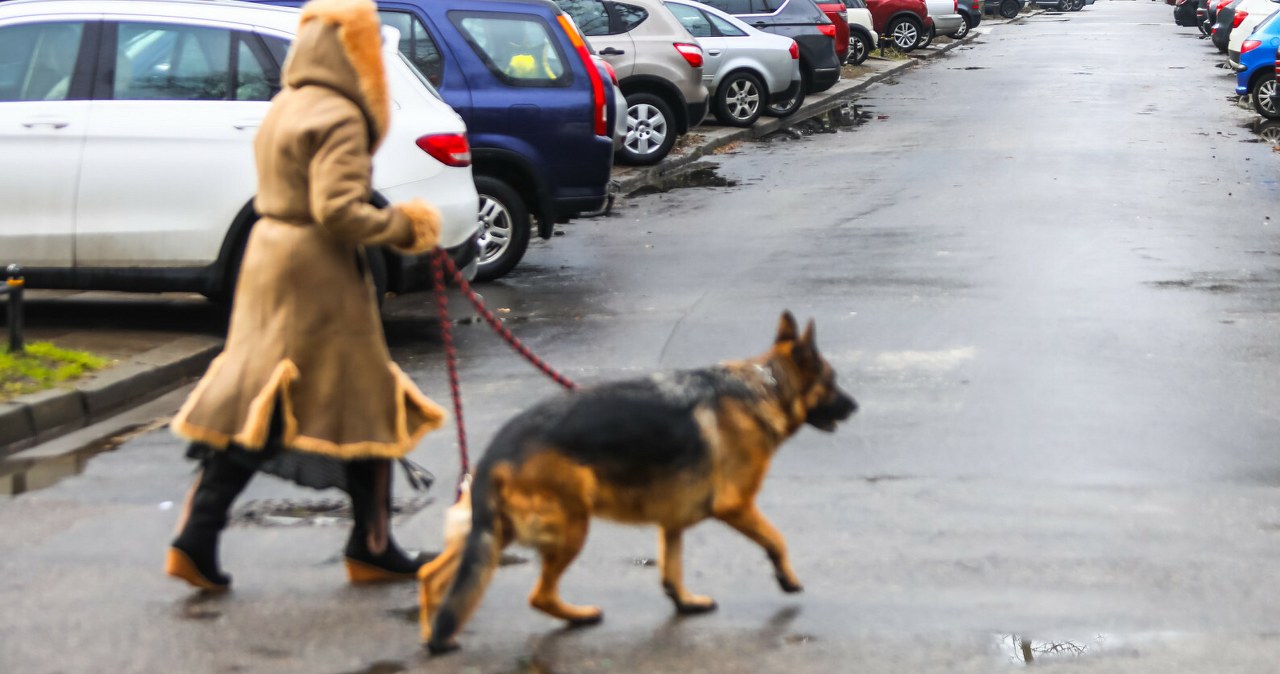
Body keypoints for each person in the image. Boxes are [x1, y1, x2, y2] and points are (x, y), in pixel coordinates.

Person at [164, 0, 447, 592]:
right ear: (357, 50)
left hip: (271, 261)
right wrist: (404, 227)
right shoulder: (340, 114)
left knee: (278, 394)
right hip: (316, 273)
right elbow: (337, 209)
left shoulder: (286, 104)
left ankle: (204, 532)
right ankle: (367, 546)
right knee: (345, 400)